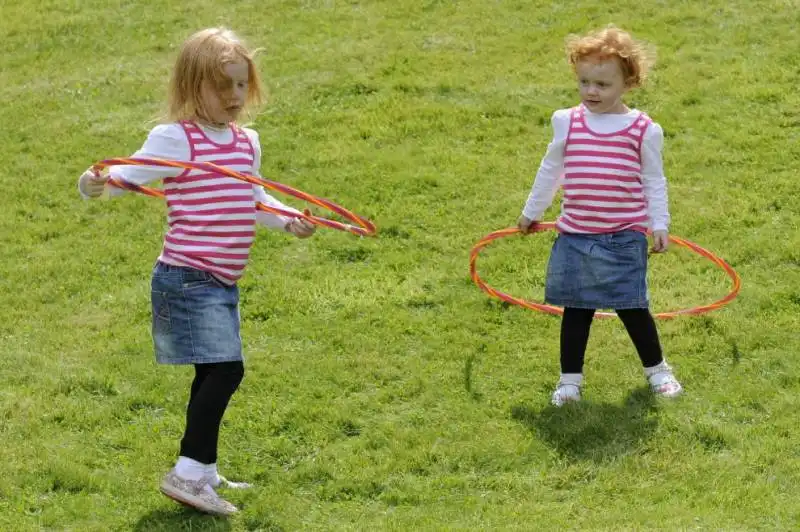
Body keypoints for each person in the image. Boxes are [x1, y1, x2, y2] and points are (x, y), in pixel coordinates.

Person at [78, 27, 316, 515]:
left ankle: (202, 470)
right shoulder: (176, 138)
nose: (234, 96)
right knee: (227, 370)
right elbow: (122, 179)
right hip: (187, 276)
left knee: (212, 371)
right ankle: (187, 473)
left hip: (221, 280)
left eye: (241, 85)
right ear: (192, 86)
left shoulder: (246, 142)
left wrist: (289, 219)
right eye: (222, 85)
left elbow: (253, 200)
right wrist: (93, 182)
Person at [517, 25, 683, 407]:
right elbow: (550, 170)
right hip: (575, 235)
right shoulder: (567, 121)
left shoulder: (643, 130)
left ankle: (658, 371)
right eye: (584, 82)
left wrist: (659, 224)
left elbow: (654, 180)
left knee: (632, 307)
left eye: (602, 85)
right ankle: (569, 382)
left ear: (628, 83)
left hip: (623, 235)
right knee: (576, 310)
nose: (591, 91)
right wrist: (531, 211)